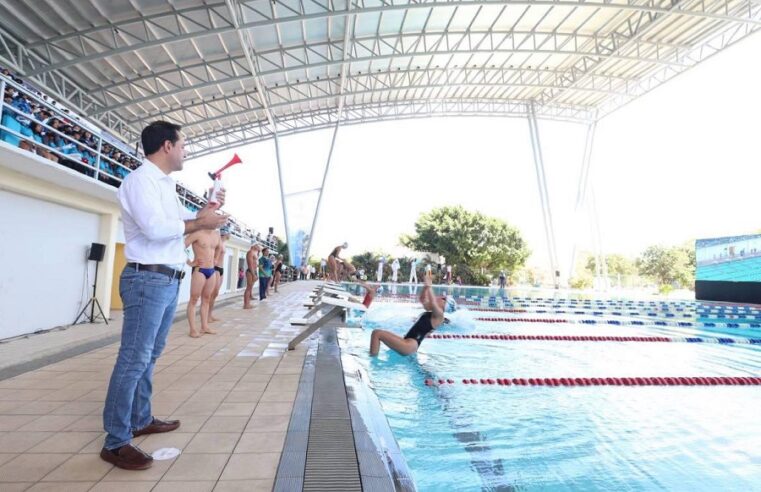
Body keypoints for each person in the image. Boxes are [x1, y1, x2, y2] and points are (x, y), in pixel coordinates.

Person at [102, 121, 228, 470]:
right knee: (133, 359)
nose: (186, 150)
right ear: (167, 146)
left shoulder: (163, 184)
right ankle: (115, 441)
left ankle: (140, 418)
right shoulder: (140, 180)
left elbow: (179, 226)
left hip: (166, 278)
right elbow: (157, 230)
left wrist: (206, 212)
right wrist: (201, 222)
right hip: (148, 280)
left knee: (149, 355)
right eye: (183, 144)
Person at [370, 271, 446, 356]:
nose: (440, 298)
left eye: (443, 299)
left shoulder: (440, 315)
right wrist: (425, 287)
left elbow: (433, 302)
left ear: (445, 306)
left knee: (377, 333)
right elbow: (423, 299)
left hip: (409, 345)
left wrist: (429, 285)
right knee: (377, 333)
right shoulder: (432, 312)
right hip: (407, 342)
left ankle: (372, 360)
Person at [185, 228, 221, 337]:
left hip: (211, 270)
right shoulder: (196, 233)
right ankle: (192, 329)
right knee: (194, 299)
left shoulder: (216, 234)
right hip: (199, 270)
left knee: (207, 299)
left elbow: (219, 248)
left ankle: (204, 327)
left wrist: (216, 258)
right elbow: (180, 246)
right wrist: (190, 262)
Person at [208, 228, 231, 323]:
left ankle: (210, 314)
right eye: (229, 233)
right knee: (213, 293)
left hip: (221, 269)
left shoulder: (223, 243)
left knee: (215, 294)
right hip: (216, 268)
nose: (230, 235)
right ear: (226, 233)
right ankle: (207, 315)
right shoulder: (218, 242)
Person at [243, 243, 260, 309]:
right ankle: (246, 305)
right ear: (254, 245)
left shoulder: (254, 252)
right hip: (250, 272)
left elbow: (255, 263)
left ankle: (248, 303)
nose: (258, 246)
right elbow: (250, 265)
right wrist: (253, 274)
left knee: (250, 288)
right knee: (248, 288)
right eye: (257, 245)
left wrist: (255, 273)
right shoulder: (250, 252)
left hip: (253, 271)